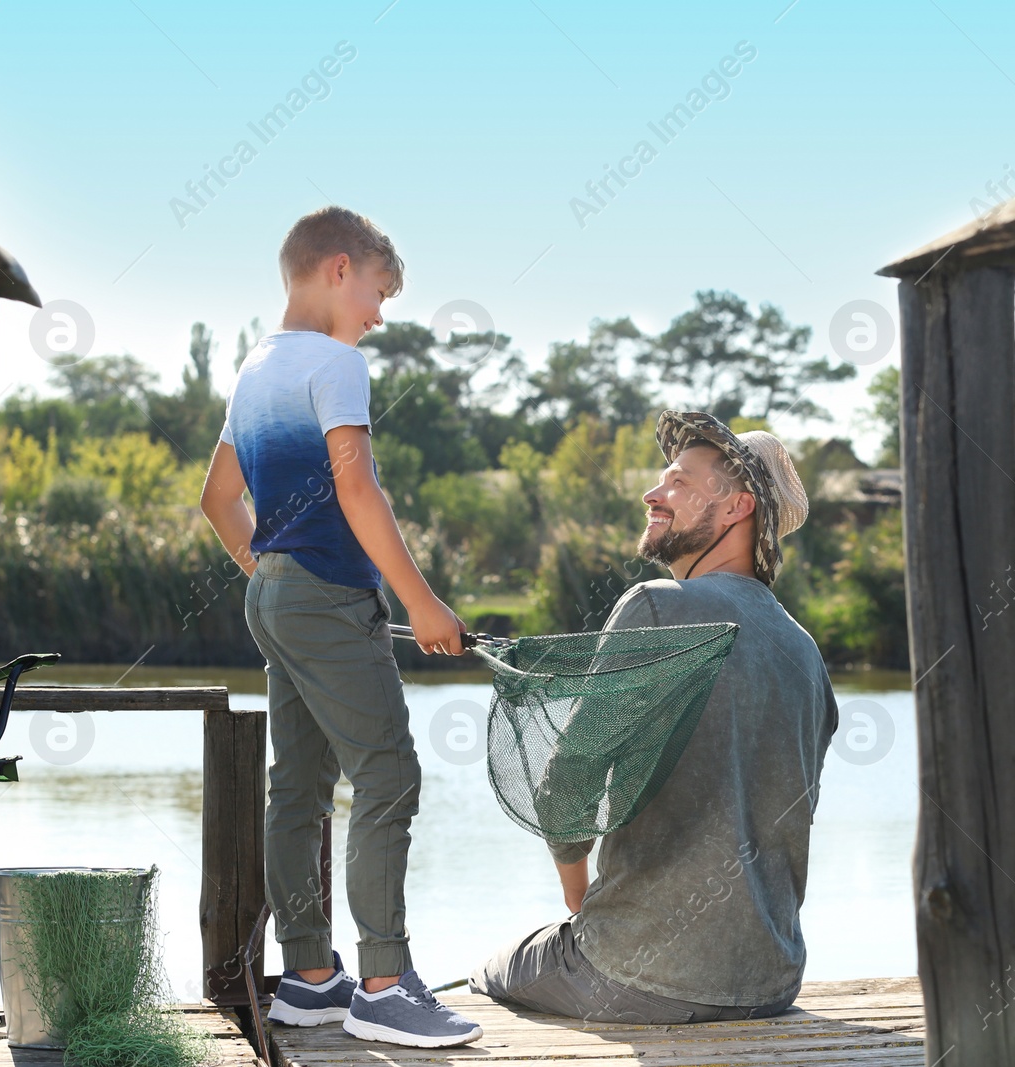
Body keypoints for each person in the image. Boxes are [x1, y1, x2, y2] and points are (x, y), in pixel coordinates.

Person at [199, 206, 482, 1048]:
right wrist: (423, 604)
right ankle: (386, 984)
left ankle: (311, 978)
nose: (379, 314)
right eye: (378, 291)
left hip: (277, 597)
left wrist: (269, 569)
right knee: (388, 773)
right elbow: (358, 489)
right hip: (325, 598)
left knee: (300, 787)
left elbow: (218, 501)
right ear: (337, 268)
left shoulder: (253, 369)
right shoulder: (336, 363)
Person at [470, 410, 839, 1023]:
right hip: (769, 987)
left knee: (491, 972)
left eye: (680, 483)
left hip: (634, 975)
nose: (653, 493)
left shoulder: (655, 607)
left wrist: (578, 899)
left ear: (736, 508)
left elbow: (569, 785)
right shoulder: (805, 650)